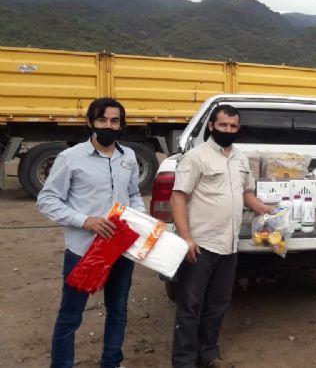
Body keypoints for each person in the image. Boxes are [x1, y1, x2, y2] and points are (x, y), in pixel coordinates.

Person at [38, 97, 146, 368]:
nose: (108, 126)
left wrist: (137, 217)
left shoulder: (128, 157)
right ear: (91, 122)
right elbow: (48, 200)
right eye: (102, 120)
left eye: (114, 121)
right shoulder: (70, 158)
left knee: (118, 311)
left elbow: (133, 193)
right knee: (70, 316)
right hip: (83, 251)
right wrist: (85, 220)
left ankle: (111, 361)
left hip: (119, 250)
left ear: (122, 125)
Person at [170, 104, 272, 368]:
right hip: (200, 245)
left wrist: (262, 207)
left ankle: (209, 355)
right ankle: (184, 361)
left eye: (233, 126)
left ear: (238, 128)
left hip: (229, 245)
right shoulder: (195, 157)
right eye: (223, 125)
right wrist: (186, 238)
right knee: (190, 307)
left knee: (217, 305)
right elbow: (178, 197)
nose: (228, 130)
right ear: (212, 126)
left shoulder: (240, 158)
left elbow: (246, 192)